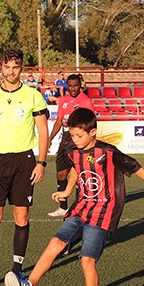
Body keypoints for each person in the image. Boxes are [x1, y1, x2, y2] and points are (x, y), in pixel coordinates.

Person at [6, 107, 144, 286]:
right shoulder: (73, 149)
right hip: (80, 208)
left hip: (103, 213)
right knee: (56, 242)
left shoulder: (108, 152)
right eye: (72, 135)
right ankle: (30, 285)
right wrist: (67, 191)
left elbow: (135, 166)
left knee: (87, 260)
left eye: (79, 136)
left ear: (93, 132)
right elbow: (75, 169)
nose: (75, 139)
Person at [0, 48, 49, 286]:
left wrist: (41, 161)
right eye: (7, 67)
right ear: (1, 68)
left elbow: (43, 131)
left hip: (24, 162)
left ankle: (17, 270)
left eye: (15, 67)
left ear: (21, 68)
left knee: (21, 216)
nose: (11, 71)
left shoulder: (33, 95)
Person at [47, 74, 95, 217]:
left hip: (79, 139)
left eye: (76, 85)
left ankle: (79, 207)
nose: (73, 88)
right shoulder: (63, 100)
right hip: (65, 139)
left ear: (80, 86)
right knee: (61, 174)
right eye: (70, 85)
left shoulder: (86, 101)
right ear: (66, 86)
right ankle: (63, 208)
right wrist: (50, 138)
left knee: (78, 174)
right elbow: (59, 121)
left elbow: (91, 123)